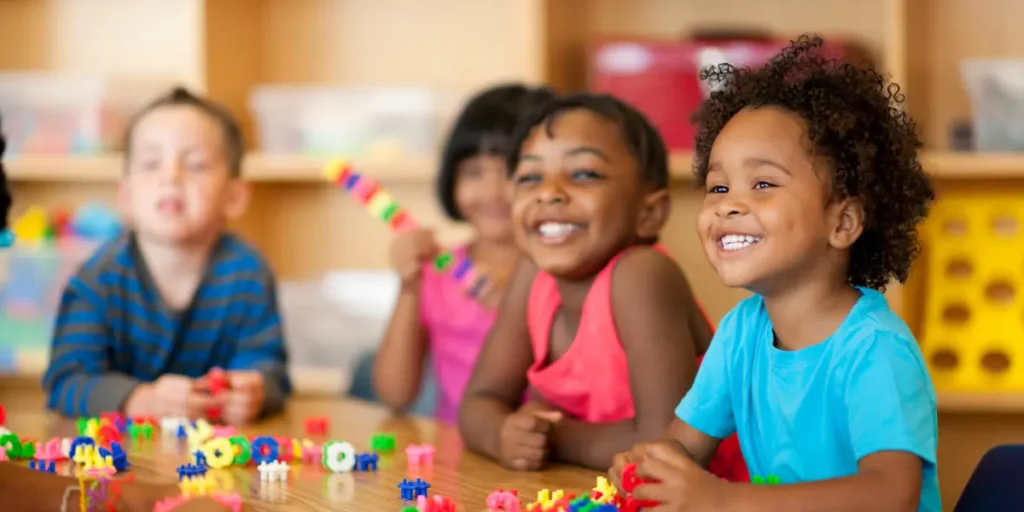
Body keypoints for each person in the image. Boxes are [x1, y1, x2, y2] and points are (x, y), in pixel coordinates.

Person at [610, 35, 939, 511]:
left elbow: (891, 492)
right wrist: (651, 466)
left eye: (762, 183)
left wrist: (721, 501)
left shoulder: (874, 351)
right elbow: (684, 444)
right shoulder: (741, 332)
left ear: (842, 222)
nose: (728, 205)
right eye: (717, 186)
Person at [458, 92, 747, 479]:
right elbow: (479, 402)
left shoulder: (642, 275)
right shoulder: (533, 276)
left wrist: (554, 437)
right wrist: (503, 434)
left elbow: (664, 443)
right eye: (530, 177)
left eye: (583, 174)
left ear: (648, 213)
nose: (549, 192)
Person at [41, 87, 291, 424]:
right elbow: (65, 382)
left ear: (234, 196)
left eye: (196, 164)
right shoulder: (98, 279)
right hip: (116, 459)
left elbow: (272, 373)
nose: (171, 177)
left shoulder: (248, 274)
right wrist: (141, 400)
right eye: (150, 163)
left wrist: (255, 393)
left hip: (218, 462)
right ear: (126, 195)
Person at [367, 83, 555, 423]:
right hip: (460, 466)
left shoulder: (565, 271)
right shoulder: (436, 273)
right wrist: (409, 285)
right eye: (473, 172)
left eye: (513, 172)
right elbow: (395, 394)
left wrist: (514, 315)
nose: (492, 191)